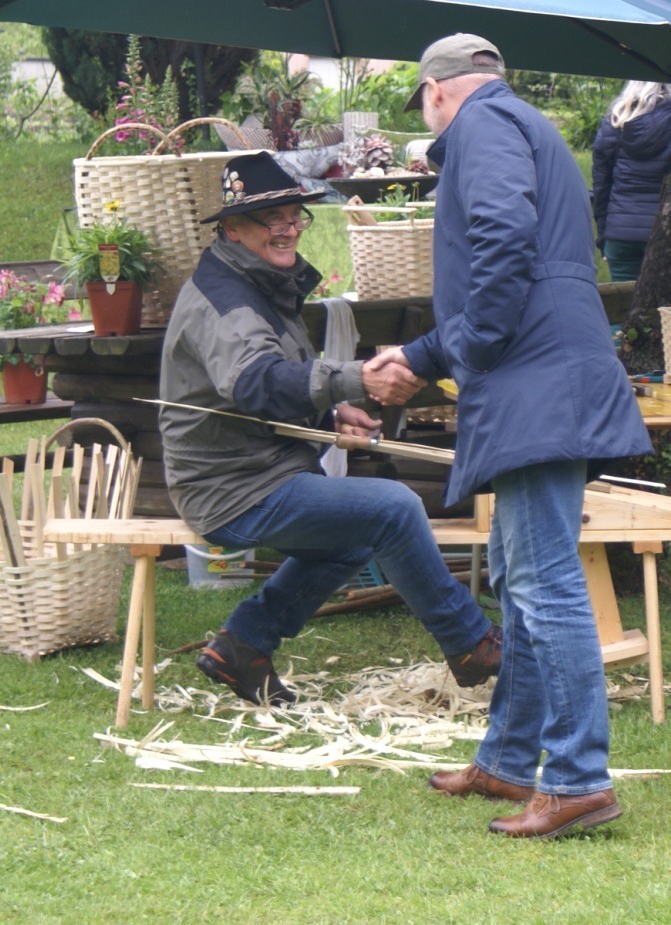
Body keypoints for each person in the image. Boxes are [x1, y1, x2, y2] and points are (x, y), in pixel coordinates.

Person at [369, 34, 653, 839]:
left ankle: (577, 779)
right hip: (549, 370)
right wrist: (435, 353)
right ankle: (506, 757)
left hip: (535, 377)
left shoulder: (482, 125)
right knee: (520, 573)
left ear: (436, 92)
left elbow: (501, 242)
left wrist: (458, 350)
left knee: (541, 579)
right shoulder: (523, 122)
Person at [158, 150, 501, 708]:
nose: (290, 228)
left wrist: (330, 413)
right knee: (393, 507)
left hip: (255, 474)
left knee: (356, 536)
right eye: (272, 218)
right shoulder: (227, 301)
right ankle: (470, 645)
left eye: (295, 215)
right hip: (231, 490)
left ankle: (244, 644)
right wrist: (356, 379)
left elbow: (264, 386)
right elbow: (256, 382)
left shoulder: (255, 278)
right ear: (233, 228)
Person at [592, 80, 671, 281]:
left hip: (621, 233)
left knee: (625, 298)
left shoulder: (614, 121)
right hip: (664, 231)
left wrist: (603, 237)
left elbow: (601, 188)